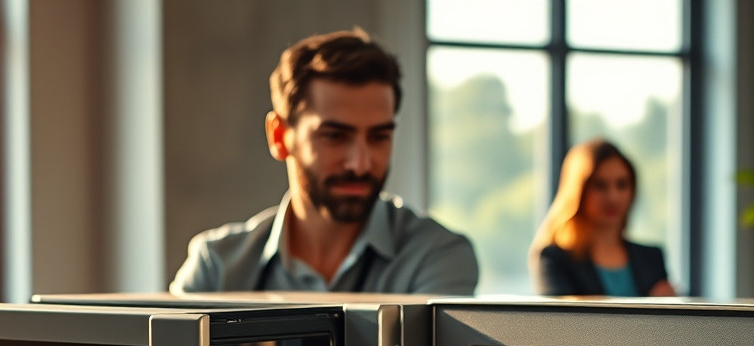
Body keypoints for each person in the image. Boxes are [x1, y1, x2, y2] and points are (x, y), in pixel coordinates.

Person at [170, 29, 478, 295]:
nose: (360, 164)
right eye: (335, 136)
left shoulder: (436, 256)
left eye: (378, 137)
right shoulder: (217, 267)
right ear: (279, 136)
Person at [530, 138, 676, 297]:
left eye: (622, 184)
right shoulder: (555, 259)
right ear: (578, 191)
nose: (613, 197)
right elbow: (559, 321)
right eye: (600, 185)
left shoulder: (651, 258)